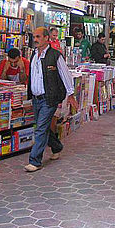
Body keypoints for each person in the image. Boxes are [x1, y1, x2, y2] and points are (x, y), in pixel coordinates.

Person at [25, 27, 79, 172]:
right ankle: (56, 146)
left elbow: (65, 75)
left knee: (41, 128)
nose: (35, 39)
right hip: (36, 98)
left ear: (46, 38)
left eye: (38, 37)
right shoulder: (34, 55)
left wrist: (71, 95)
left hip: (49, 99)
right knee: (42, 127)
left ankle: (35, 161)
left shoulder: (55, 56)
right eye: (34, 37)